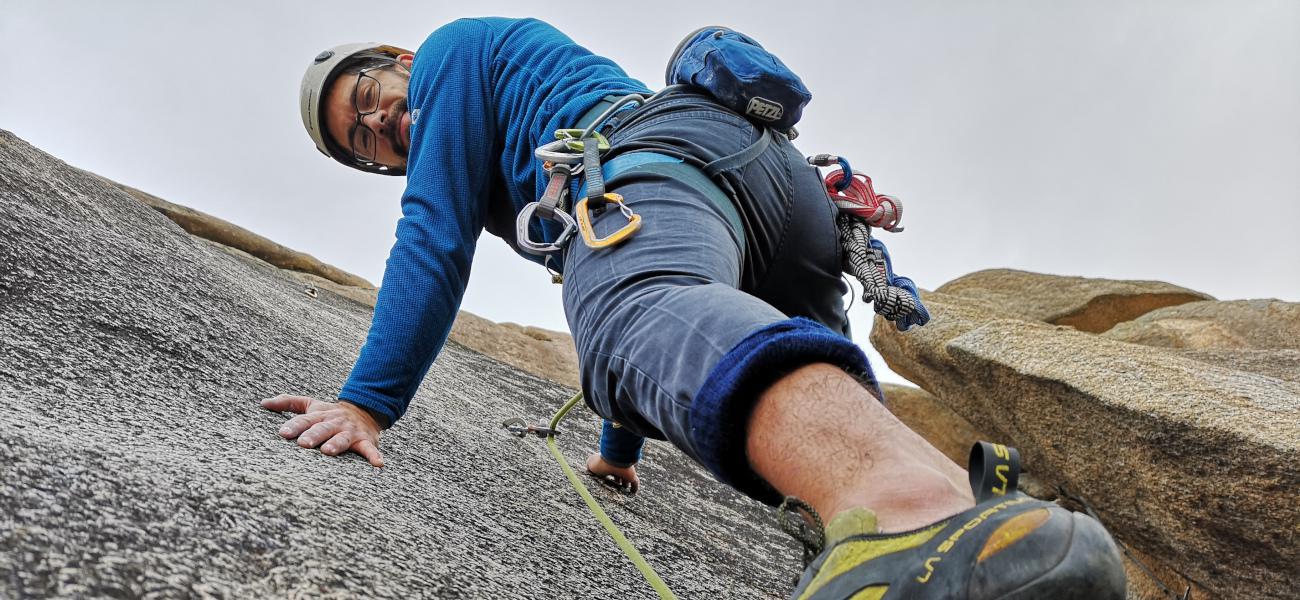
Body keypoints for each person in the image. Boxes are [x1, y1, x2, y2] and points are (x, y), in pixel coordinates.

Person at [264, 17, 1126, 599]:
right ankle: (992, 527)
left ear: (399, 61)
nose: (382, 124)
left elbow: (435, 238)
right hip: (776, 193)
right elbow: (665, 302)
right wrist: (615, 450)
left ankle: (916, 522)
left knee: (629, 307)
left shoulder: (450, 55)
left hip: (659, 165)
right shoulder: (501, 121)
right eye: (365, 142)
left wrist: (367, 401)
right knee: (759, 358)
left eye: (370, 98)